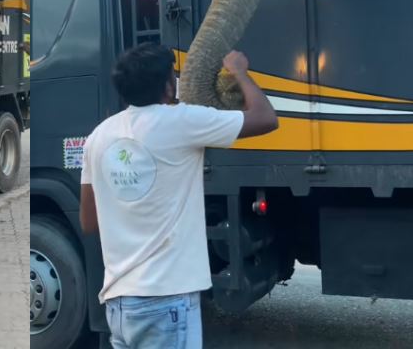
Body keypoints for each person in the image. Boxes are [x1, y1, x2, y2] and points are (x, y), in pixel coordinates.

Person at [79, 43, 278, 349]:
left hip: (119, 306)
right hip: (166, 301)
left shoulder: (97, 138)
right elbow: (265, 118)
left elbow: (89, 222)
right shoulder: (182, 122)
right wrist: (239, 71)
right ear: (168, 86)